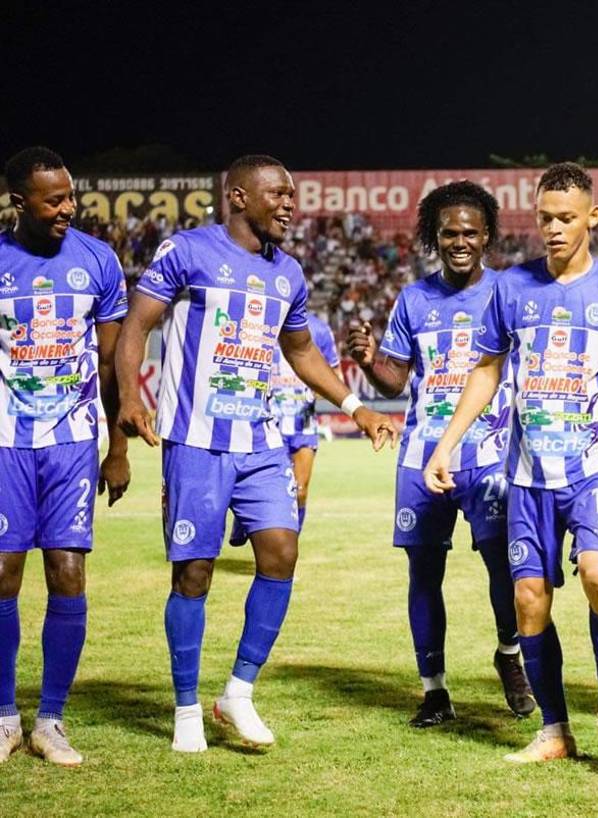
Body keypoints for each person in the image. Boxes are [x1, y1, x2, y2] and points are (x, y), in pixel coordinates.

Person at [115, 155, 397, 753]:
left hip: (261, 438)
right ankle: (187, 707)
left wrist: (356, 406)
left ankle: (237, 693)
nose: (291, 205)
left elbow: (301, 352)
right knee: (194, 571)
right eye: (278, 195)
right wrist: (127, 397)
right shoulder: (186, 251)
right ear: (239, 197)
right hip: (196, 439)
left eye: (293, 196)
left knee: (281, 550)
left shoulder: (288, 273)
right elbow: (138, 324)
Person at [422, 163, 598, 763]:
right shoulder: (510, 288)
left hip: (593, 466)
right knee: (528, 600)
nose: (552, 228)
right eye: (544, 217)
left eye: (566, 218)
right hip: (526, 475)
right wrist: (446, 443)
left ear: (592, 218)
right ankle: (553, 731)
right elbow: (487, 370)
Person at [346, 181, 534, 727]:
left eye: (470, 232)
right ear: (434, 236)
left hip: (492, 452)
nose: (460, 241)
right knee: (423, 572)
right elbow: (394, 378)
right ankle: (434, 691)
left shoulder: (511, 292)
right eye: (449, 232)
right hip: (422, 456)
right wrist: (367, 360)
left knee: (504, 566)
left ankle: (509, 655)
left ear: (487, 236)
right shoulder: (414, 299)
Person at [0, 147, 131, 766]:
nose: (66, 209)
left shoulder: (97, 260)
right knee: (2, 572)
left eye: (70, 197)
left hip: (74, 442)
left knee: (68, 573)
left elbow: (109, 365)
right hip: (5, 442)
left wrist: (119, 449)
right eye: (53, 200)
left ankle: (50, 721)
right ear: (18, 202)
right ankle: (4, 716)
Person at [230, 311, 341, 546]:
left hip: (303, 423)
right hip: (266, 422)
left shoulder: (319, 329)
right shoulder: (260, 323)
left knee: (300, 491)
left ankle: (289, 553)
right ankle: (242, 518)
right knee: (255, 484)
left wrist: (313, 390)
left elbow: (334, 375)